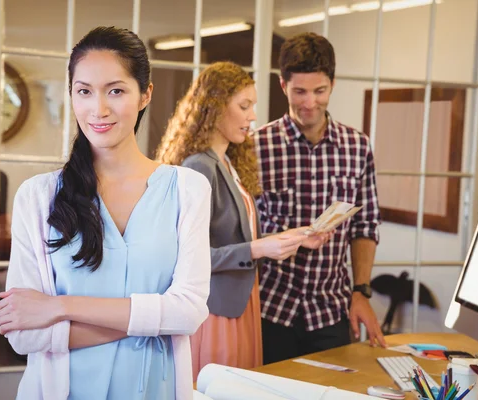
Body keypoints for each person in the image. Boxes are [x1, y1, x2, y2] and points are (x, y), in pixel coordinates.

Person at [0, 26, 211, 400]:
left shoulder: (188, 189)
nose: (99, 109)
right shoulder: (37, 196)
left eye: (116, 90)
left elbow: (189, 313)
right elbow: (24, 333)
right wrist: (152, 322)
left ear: (145, 95)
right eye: (84, 92)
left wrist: (59, 307)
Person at [156, 61, 332, 380]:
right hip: (215, 311)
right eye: (244, 106)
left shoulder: (225, 161)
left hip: (240, 305)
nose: (253, 116)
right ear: (215, 107)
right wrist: (258, 249)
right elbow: (187, 257)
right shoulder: (200, 167)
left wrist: (296, 237)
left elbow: (238, 238)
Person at [252, 32, 386, 365]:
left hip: (330, 312)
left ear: (332, 84)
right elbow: (240, 232)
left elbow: (365, 225)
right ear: (283, 86)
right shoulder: (255, 147)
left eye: (319, 91)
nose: (309, 102)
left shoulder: (357, 147)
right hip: (269, 310)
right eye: (299, 91)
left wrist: (362, 291)